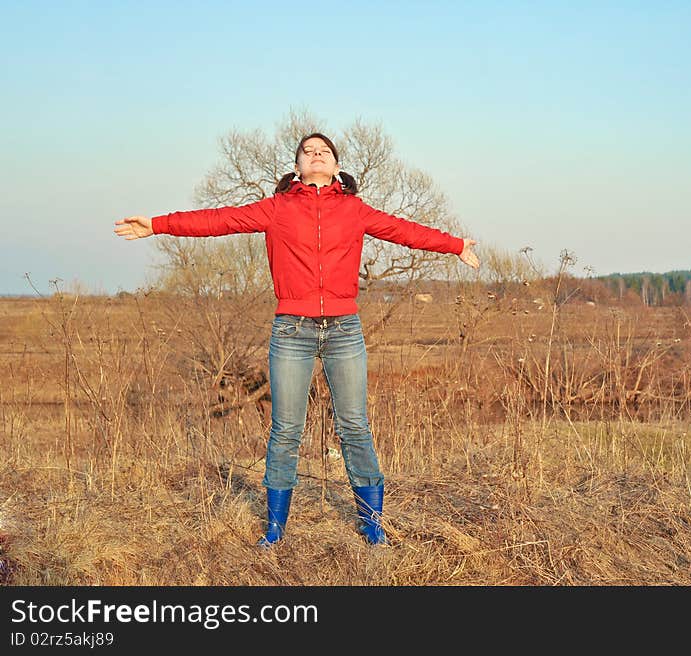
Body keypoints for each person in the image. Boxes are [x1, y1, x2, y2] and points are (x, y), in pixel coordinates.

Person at [115, 132, 480, 547]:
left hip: (344, 329)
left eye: (324, 152)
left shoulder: (355, 210)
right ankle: (275, 528)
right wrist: (158, 225)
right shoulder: (276, 209)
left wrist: (454, 245)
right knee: (286, 430)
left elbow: (403, 231)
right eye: (308, 152)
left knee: (355, 426)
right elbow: (218, 220)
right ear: (296, 168)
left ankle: (373, 524)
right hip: (291, 330)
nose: (316, 155)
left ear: (337, 167)